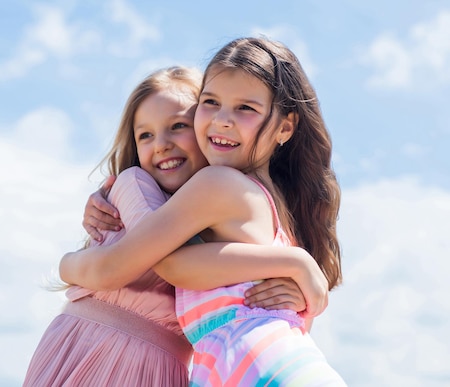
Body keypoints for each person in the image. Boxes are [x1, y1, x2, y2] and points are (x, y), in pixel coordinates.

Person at [60, 37, 346, 385]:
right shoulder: (275, 206)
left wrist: (65, 266)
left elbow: (171, 264)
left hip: (256, 365)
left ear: (285, 127)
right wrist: (298, 263)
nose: (223, 120)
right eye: (211, 102)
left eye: (246, 108)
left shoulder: (217, 183)